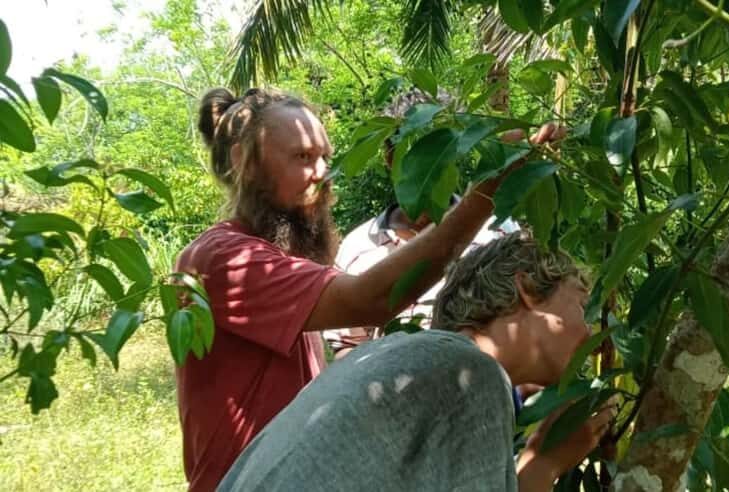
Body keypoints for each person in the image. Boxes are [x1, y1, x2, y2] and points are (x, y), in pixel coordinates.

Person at [175, 87, 562, 491]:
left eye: (325, 157)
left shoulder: (284, 258)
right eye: (302, 157)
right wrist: (487, 193)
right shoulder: (223, 260)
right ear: (245, 163)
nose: (322, 173)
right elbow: (370, 301)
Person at [218, 232, 618, 492]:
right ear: (528, 289)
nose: (592, 334)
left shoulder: (397, 356)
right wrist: (545, 462)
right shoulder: (468, 373)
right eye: (581, 303)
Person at [324, 89, 517, 357]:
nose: (430, 166)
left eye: (440, 150)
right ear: (391, 160)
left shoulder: (496, 233)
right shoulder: (358, 247)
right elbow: (348, 346)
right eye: (415, 155)